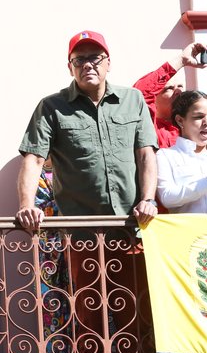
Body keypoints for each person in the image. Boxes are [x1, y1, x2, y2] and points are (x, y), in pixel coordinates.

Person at [17, 30, 158, 231]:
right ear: (70, 68)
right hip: (80, 231)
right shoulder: (51, 107)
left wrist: (148, 200)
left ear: (108, 63)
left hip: (133, 224)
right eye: (79, 60)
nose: (87, 64)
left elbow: (145, 155)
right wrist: (26, 206)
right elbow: (34, 159)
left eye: (95, 58)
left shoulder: (133, 100)